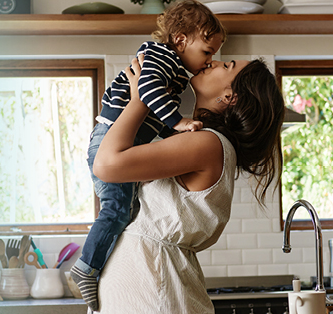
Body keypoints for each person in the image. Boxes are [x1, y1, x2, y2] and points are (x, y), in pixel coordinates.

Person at [89, 54, 285, 313]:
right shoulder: (198, 139)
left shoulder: (208, 143)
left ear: (230, 96)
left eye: (226, 66)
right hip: (147, 284)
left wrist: (140, 99)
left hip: (154, 288)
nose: (212, 62)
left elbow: (104, 165)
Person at [71, 0, 226, 310]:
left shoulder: (175, 68)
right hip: (107, 137)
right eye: (208, 52)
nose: (210, 61)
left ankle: (90, 266)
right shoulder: (162, 57)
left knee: (122, 209)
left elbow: (152, 116)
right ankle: (86, 268)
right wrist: (179, 122)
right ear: (181, 40)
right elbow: (148, 92)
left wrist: (175, 131)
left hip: (119, 137)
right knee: (117, 210)